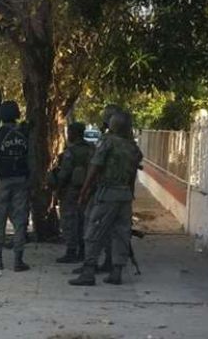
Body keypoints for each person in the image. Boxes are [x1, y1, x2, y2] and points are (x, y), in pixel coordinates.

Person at [69, 111, 142, 286]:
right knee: (121, 233)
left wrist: (84, 191)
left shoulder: (107, 142)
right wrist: (130, 194)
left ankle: (88, 272)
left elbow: (95, 167)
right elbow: (132, 175)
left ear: (112, 125)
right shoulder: (133, 147)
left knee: (93, 232)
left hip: (107, 193)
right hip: (124, 195)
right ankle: (116, 272)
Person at [0, 101, 31, 273]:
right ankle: (18, 261)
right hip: (22, 180)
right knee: (19, 221)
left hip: (3, 181)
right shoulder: (25, 133)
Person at [50, 122, 95, 263]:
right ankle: (83, 250)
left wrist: (57, 189)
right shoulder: (91, 149)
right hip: (88, 191)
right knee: (84, 220)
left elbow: (64, 173)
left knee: (69, 221)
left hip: (71, 191)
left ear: (73, 134)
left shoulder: (71, 152)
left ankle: (71, 251)